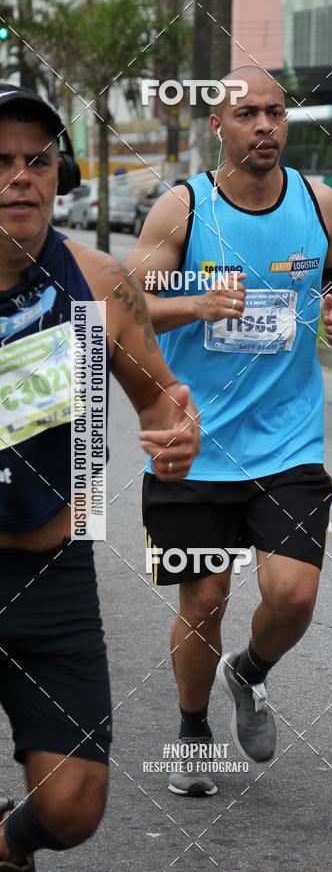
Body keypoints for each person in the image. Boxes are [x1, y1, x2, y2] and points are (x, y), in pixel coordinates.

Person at [126, 66, 332, 797]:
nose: (265, 126)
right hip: (193, 442)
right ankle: (194, 729)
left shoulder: (319, 202)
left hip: (288, 441)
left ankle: (249, 673)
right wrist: (194, 302)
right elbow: (122, 305)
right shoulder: (182, 210)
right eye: (248, 114)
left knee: (292, 596)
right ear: (218, 129)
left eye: (276, 113)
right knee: (205, 603)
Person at [0, 84, 200, 870]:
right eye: (1, 161)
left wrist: (178, 435)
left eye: (37, 160)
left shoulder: (101, 284)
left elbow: (161, 398)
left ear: (60, 173)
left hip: (54, 571)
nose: (20, 176)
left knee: (75, 806)